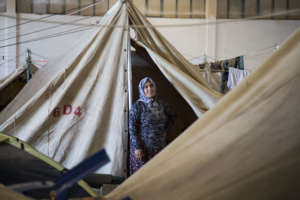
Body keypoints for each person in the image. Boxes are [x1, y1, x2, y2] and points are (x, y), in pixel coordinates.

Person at [129, 77, 176, 175]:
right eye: (146, 87)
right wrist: (138, 147)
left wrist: (165, 130)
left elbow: (173, 115)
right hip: (143, 149)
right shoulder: (138, 106)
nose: (149, 89)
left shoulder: (161, 104)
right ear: (142, 90)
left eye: (151, 86)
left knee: (158, 174)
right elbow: (132, 128)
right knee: (143, 176)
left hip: (159, 146)